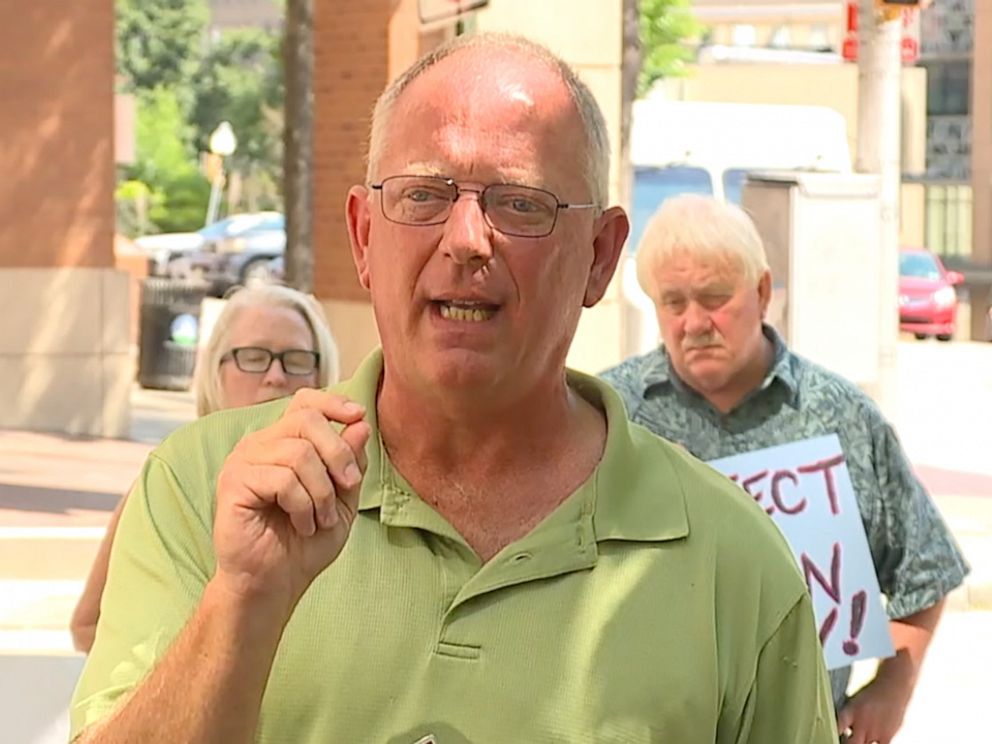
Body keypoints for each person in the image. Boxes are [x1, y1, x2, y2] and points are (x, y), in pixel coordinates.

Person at [70, 35, 838, 743]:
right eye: (423, 195)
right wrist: (242, 601)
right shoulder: (205, 487)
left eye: (520, 204)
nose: (468, 240)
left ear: (600, 258)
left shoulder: (733, 563)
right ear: (365, 236)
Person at [602, 194, 969, 744]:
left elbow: (927, 569)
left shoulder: (841, 417)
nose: (694, 322)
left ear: (763, 293)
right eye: (673, 302)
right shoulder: (611, 414)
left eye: (714, 298)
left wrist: (892, 689)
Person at [69, 283, 339, 652]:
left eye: (296, 359)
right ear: (217, 370)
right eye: (254, 357)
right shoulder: (171, 483)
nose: (276, 376)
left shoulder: (346, 490)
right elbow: (88, 625)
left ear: (321, 376)